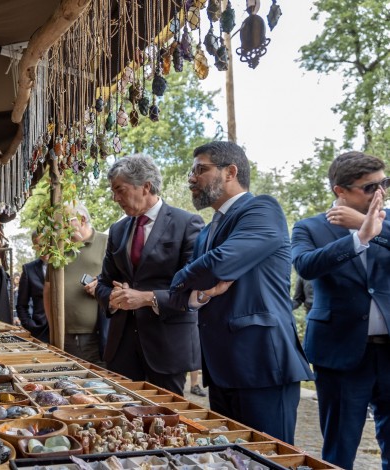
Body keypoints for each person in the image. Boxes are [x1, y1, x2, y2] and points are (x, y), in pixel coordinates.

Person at [168, 141, 313, 445]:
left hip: (262, 366)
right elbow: (183, 293)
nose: (191, 178)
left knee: (267, 458)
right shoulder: (207, 231)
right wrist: (203, 293)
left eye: (200, 169)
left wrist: (183, 278)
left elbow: (217, 263)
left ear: (230, 172)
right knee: (231, 459)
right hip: (220, 371)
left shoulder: (262, 209)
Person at [291, 151, 390, 469]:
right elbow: (305, 265)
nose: (381, 193)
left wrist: (368, 224)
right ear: (340, 191)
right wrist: (360, 237)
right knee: (339, 449)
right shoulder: (309, 227)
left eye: (384, 183)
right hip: (341, 354)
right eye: (370, 187)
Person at [95, 155, 203, 396]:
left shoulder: (187, 223)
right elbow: (103, 282)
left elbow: (194, 289)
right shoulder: (118, 229)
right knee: (119, 419)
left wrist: (145, 298)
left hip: (167, 346)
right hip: (121, 348)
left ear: (145, 186)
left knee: (165, 421)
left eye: (119, 190)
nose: (115, 198)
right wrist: (111, 299)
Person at [63, 202, 108, 366]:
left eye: (65, 221)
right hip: (64, 335)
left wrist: (101, 283)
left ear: (81, 220)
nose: (61, 227)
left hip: (96, 335)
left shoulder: (106, 242)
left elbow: (124, 279)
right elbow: (48, 290)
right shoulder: (59, 249)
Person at [16, 231, 49, 342]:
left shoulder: (67, 265)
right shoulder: (28, 269)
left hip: (67, 331)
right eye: (39, 246)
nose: (43, 249)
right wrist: (30, 326)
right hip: (40, 332)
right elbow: (21, 305)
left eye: (45, 244)